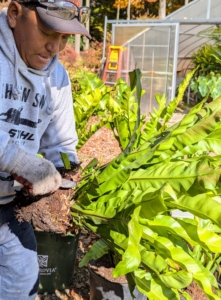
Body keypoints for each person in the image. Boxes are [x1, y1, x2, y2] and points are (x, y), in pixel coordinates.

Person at [0, 0, 91, 299]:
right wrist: (13, 158)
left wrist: (68, 186)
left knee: (22, 281)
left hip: (8, 209)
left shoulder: (57, 77)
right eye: (46, 31)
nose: (55, 47)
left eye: (64, 37)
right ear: (15, 14)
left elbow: (61, 147)